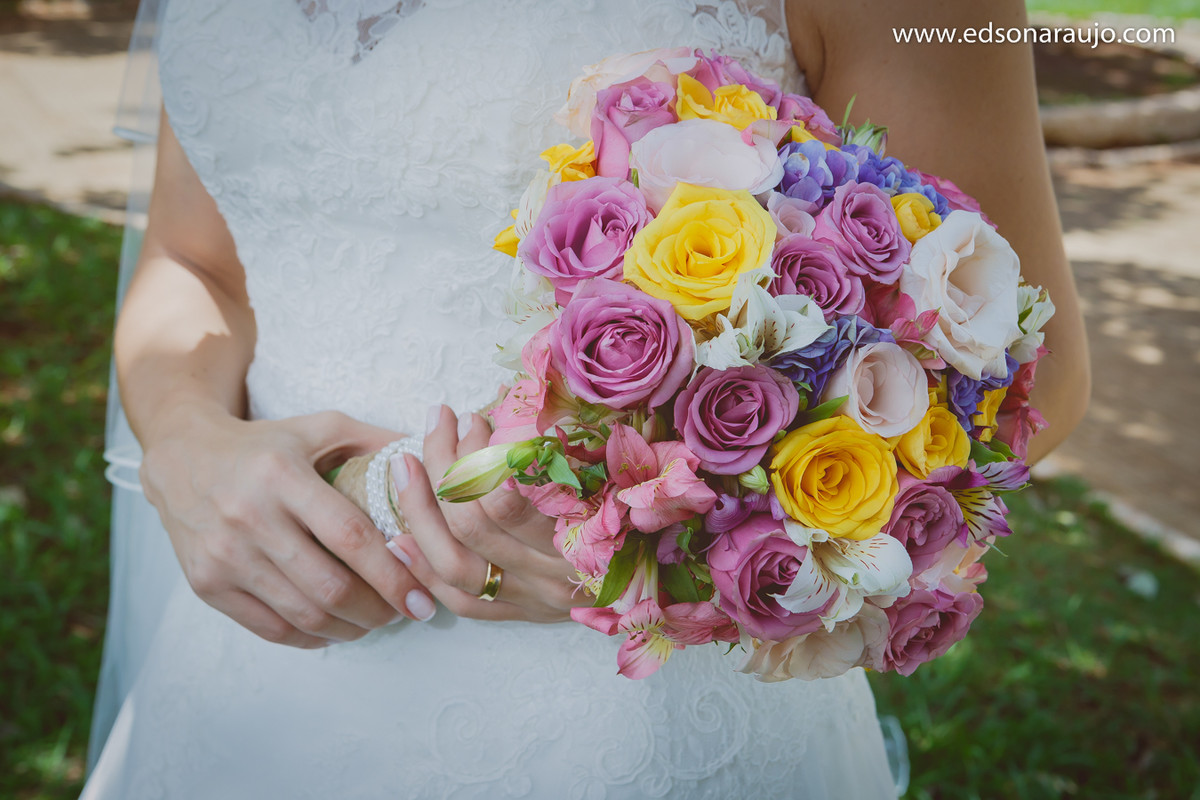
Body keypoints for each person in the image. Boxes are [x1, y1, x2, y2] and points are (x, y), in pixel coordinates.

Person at [82, 0, 1089, 797]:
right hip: (248, 665)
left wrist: (659, 550)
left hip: (622, 724)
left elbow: (1020, 369)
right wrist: (183, 441)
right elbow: (194, 256)